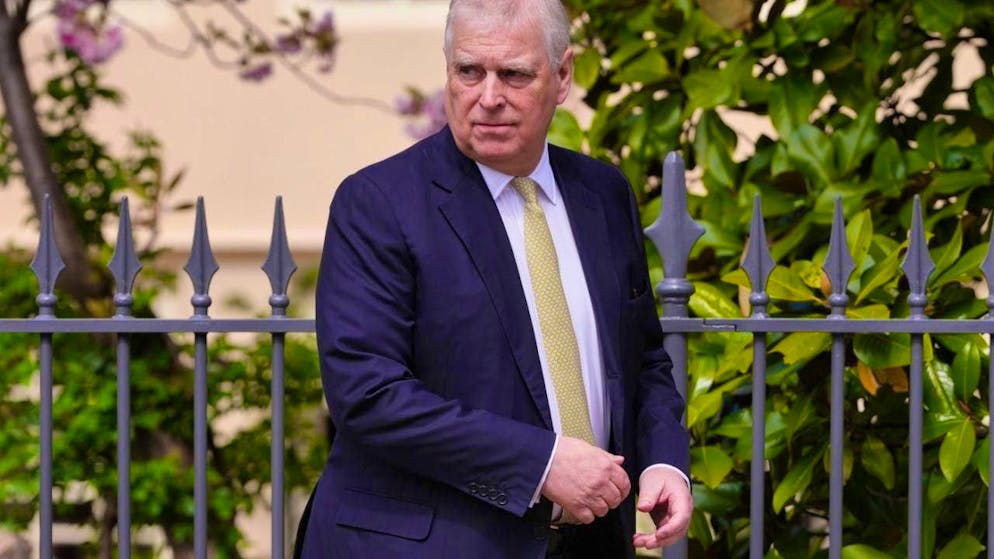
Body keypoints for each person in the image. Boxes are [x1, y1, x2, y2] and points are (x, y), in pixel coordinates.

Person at [300, 0, 692, 557]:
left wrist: (664, 460)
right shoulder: (380, 203)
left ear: (562, 76)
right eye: (468, 71)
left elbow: (645, 358)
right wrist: (543, 464)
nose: (488, 97)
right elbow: (368, 394)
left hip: (590, 544)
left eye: (513, 74)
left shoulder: (603, 195)